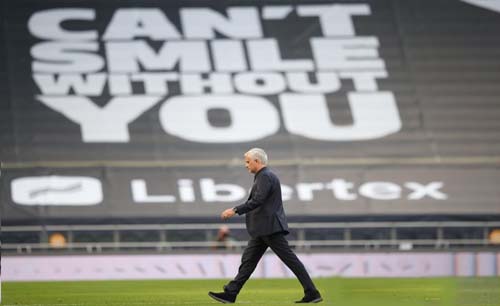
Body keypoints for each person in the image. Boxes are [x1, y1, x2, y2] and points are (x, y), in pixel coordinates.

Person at [208, 148, 322, 304]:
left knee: (290, 260)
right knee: (248, 261)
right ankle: (231, 293)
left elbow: (258, 200)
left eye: (248, 162)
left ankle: (312, 293)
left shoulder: (265, 176)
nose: (246, 165)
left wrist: (235, 210)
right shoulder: (263, 176)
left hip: (269, 227)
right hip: (263, 228)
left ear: (257, 161)